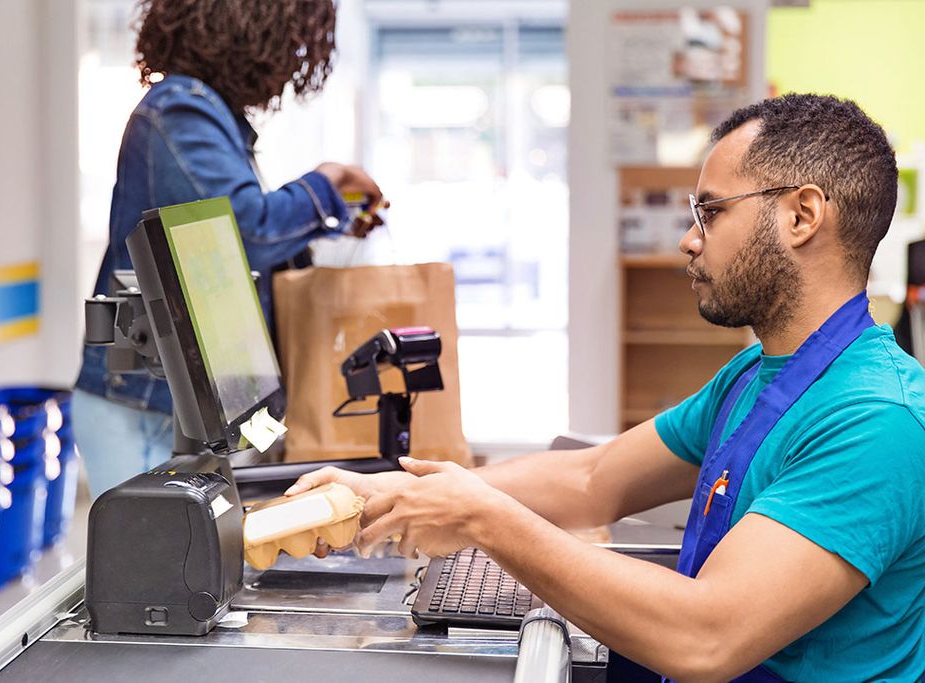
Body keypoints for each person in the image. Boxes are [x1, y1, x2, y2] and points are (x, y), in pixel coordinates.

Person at [287, 94, 925, 681]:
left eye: (710, 211)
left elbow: (707, 636)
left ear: (802, 216)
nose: (688, 239)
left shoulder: (875, 418)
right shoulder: (757, 374)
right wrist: (404, 489)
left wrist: (482, 518)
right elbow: (592, 479)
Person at [73, 0, 385, 497]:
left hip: (200, 408)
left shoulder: (212, 119)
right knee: (157, 565)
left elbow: (229, 245)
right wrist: (327, 183)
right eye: (291, 46)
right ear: (249, 32)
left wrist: (331, 222)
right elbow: (244, 230)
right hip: (147, 407)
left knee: (209, 557)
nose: (290, 66)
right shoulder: (180, 109)